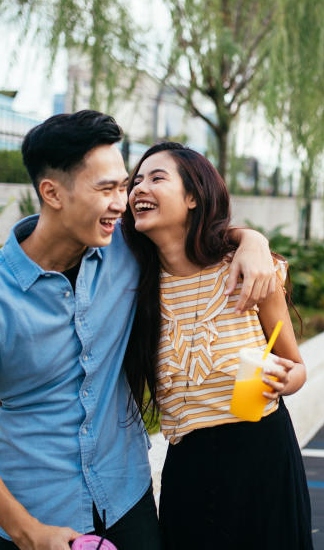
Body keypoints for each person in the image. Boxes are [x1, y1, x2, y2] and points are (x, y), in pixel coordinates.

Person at [0, 111, 278, 550]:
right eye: (107, 189)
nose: (124, 201)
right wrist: (26, 532)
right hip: (40, 517)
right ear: (52, 193)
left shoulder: (127, 248)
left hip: (128, 503)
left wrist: (253, 240)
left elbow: (195, 231)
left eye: (124, 185)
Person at [122, 141, 314, 549]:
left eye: (157, 178)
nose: (139, 188)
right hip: (188, 467)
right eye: (135, 180)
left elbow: (295, 366)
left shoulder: (247, 270)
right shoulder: (132, 284)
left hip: (262, 453)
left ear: (192, 196)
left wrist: (285, 379)